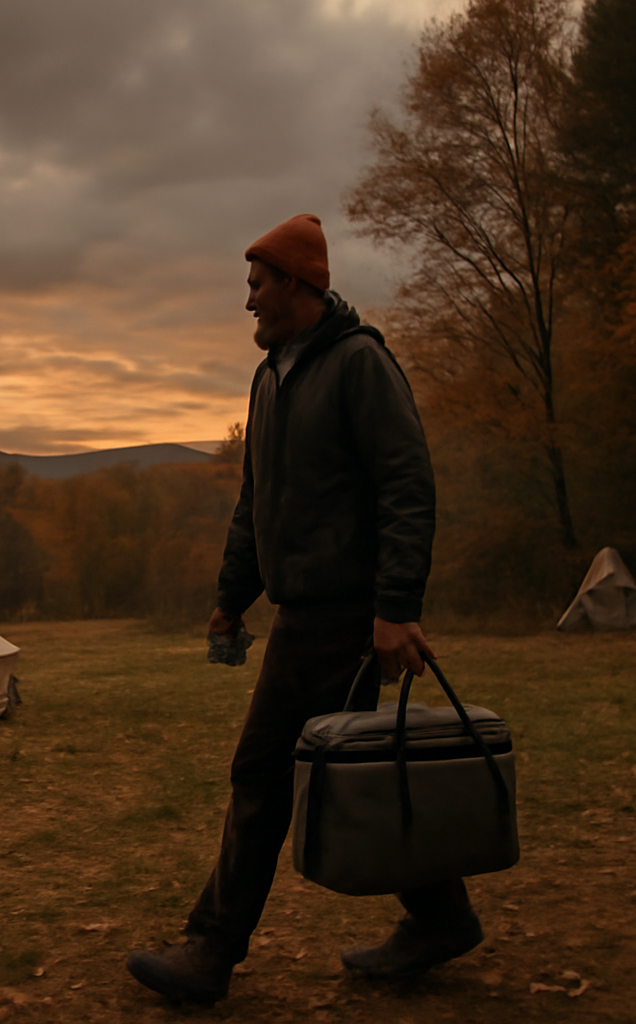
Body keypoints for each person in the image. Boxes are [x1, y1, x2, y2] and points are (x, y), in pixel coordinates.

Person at [125, 214, 483, 1005]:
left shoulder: (359, 364)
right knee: (350, 775)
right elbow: (257, 502)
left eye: (257, 284)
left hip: (347, 617)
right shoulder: (270, 377)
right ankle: (442, 916)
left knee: (269, 771)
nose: (248, 300)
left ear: (295, 282)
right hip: (301, 616)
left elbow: (406, 486)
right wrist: (231, 600)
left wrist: (395, 608)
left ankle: (211, 952)